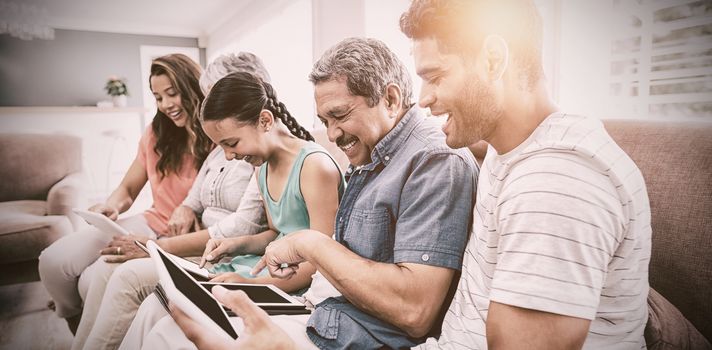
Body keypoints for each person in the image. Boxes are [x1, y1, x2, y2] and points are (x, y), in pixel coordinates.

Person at [135, 37, 478, 350]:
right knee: (160, 310)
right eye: (324, 120)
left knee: (169, 336)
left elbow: (414, 310)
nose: (332, 133)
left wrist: (308, 245)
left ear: (390, 99)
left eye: (339, 115)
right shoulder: (372, 155)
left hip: (350, 329)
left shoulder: (433, 161)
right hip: (321, 308)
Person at [119, 69, 346, 349]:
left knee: (173, 325)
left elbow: (322, 260)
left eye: (231, 143)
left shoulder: (314, 167)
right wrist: (236, 244)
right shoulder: (262, 167)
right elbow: (275, 232)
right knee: (155, 304)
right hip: (262, 271)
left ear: (265, 120)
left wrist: (252, 285)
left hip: (292, 283)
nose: (229, 156)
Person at [70, 52, 272, 350]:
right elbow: (193, 197)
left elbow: (247, 225)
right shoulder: (220, 150)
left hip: (218, 253)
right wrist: (185, 209)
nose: (208, 108)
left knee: (125, 275)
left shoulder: (256, 151)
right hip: (198, 243)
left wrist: (154, 247)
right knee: (105, 267)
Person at [38, 53, 212, 335]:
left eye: (172, 93)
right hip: (151, 221)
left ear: (193, 87)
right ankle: (74, 318)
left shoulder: (219, 136)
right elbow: (129, 188)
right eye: (158, 97)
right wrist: (112, 206)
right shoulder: (156, 133)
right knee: (53, 262)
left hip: (183, 238)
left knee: (97, 274)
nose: (166, 104)